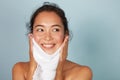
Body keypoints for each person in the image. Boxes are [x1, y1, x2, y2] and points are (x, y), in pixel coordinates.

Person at [12, 2, 92, 80]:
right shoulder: (19, 69)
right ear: (32, 35)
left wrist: (59, 70)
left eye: (55, 30)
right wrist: (33, 68)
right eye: (40, 30)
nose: (47, 38)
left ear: (65, 34)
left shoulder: (82, 72)